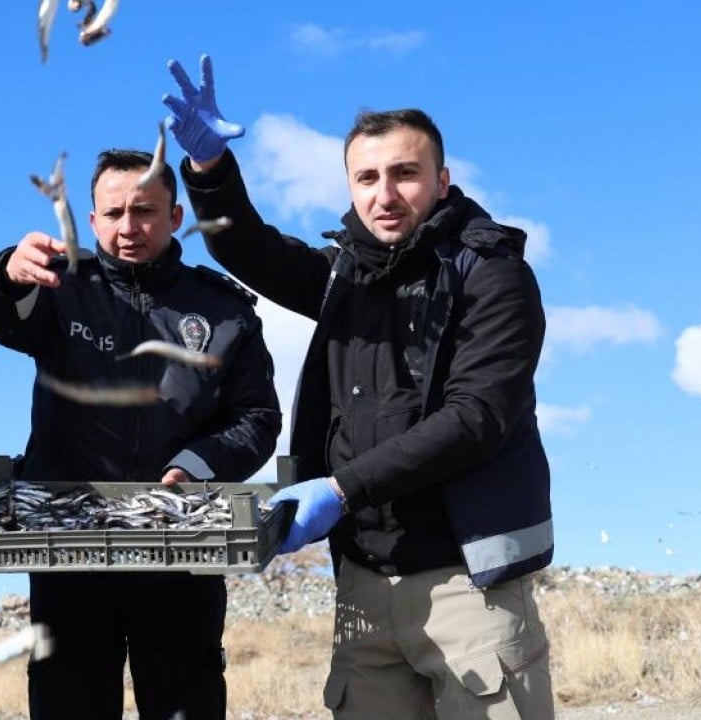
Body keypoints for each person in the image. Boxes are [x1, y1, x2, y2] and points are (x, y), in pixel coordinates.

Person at [163, 55, 555, 720]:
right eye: (367, 178)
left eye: (405, 173)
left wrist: (340, 489)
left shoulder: (493, 277)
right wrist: (209, 173)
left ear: (442, 180)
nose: (385, 193)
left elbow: (476, 417)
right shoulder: (344, 279)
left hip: (469, 583)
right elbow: (252, 250)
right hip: (365, 586)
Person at [0, 148, 282, 720]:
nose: (127, 228)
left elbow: (258, 417)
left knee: (186, 702)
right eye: (112, 214)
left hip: (182, 552)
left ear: (175, 217)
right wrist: (4, 273)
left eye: (144, 211)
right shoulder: (61, 285)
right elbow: (0, 316)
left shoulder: (223, 311)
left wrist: (197, 464)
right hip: (67, 552)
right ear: (91, 222)